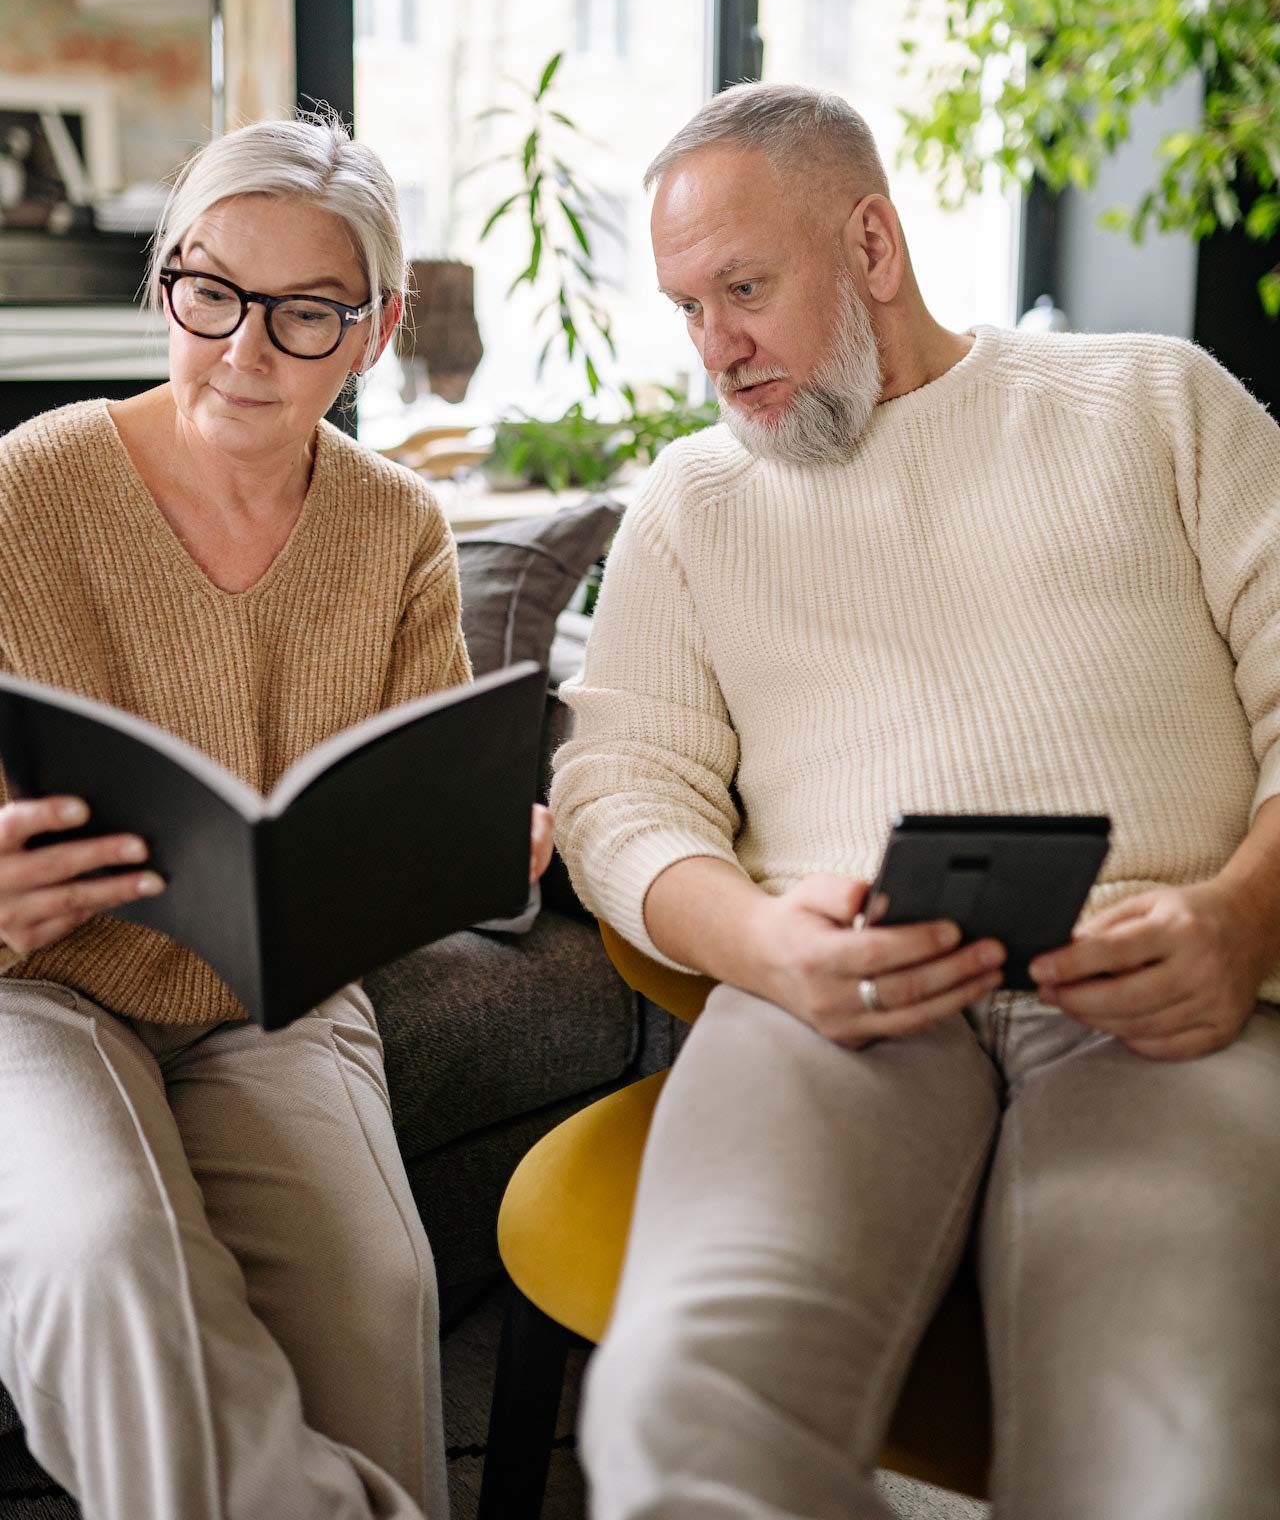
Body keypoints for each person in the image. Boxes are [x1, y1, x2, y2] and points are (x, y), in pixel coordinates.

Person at [550, 82, 1280, 1520]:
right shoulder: (691, 506)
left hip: (1160, 993)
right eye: (686, 308)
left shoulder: (1158, 405)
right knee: (678, 1424)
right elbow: (618, 793)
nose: (715, 349)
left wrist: (1244, 923)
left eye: (744, 289)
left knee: (1171, 1458)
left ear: (872, 244)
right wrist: (760, 948)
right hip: (828, 1002)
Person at [0, 114, 554, 1520]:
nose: (244, 349)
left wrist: (483, 849)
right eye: (212, 292)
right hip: (37, 989)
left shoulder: (396, 529)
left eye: (307, 315)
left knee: (378, 1285)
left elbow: (409, 801)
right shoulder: (27, 490)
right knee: (106, 1256)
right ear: (166, 282)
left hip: (281, 992)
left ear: (375, 332)